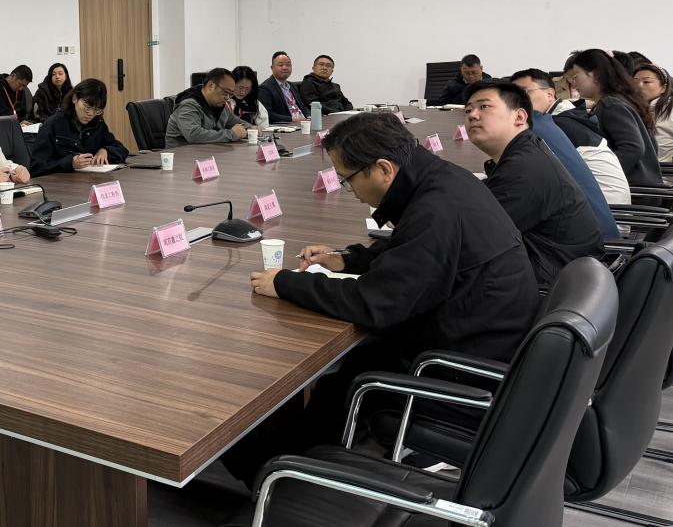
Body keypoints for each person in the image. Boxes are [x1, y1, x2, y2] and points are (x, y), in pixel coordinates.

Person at [230, 112, 538, 485]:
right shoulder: (442, 182)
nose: (350, 189)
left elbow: (376, 304)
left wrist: (286, 283)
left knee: (349, 374)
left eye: (348, 179)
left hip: (460, 369)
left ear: (383, 169)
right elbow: (412, 252)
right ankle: (291, 452)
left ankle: (278, 471)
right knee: (351, 365)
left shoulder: (436, 208)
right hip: (479, 340)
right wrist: (346, 259)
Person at [464, 81, 603, 288]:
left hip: (555, 286)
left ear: (519, 117)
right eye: (468, 110)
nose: (472, 115)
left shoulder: (523, 168)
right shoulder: (526, 151)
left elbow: (473, 238)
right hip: (560, 270)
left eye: (484, 106)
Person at [511, 68, 631, 208]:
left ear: (550, 94)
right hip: (610, 206)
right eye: (510, 95)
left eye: (524, 92)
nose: (515, 101)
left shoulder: (555, 124)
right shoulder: (567, 115)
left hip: (605, 209)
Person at [564, 49, 663, 187]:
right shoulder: (616, 101)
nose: (574, 85)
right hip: (634, 184)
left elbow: (633, 148)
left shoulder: (611, 105)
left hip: (633, 188)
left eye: (576, 77)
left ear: (595, 75)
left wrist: (603, 174)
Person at [28, 79, 129, 176]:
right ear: (74, 99)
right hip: (61, 184)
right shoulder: (53, 124)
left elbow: (122, 149)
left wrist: (106, 151)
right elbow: (36, 167)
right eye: (87, 107)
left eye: (96, 110)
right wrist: (70, 163)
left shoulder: (97, 124)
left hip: (91, 181)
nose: (91, 114)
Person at [165, 68, 252, 147]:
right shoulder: (188, 105)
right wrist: (231, 134)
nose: (227, 98)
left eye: (230, 94)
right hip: (181, 155)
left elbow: (233, 120)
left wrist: (251, 129)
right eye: (226, 92)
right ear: (211, 85)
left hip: (206, 153)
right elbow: (193, 135)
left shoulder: (219, 104)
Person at [634, 63, 673, 163]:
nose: (639, 86)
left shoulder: (670, 109)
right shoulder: (631, 109)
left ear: (663, 88)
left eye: (646, 82)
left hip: (664, 170)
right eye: (635, 81)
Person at [257, 51, 306, 124]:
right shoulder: (264, 88)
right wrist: (292, 119)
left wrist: (309, 116)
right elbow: (268, 114)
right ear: (272, 68)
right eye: (280, 65)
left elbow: (303, 107)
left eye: (288, 65)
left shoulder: (293, 86)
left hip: (303, 123)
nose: (285, 68)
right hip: (287, 125)